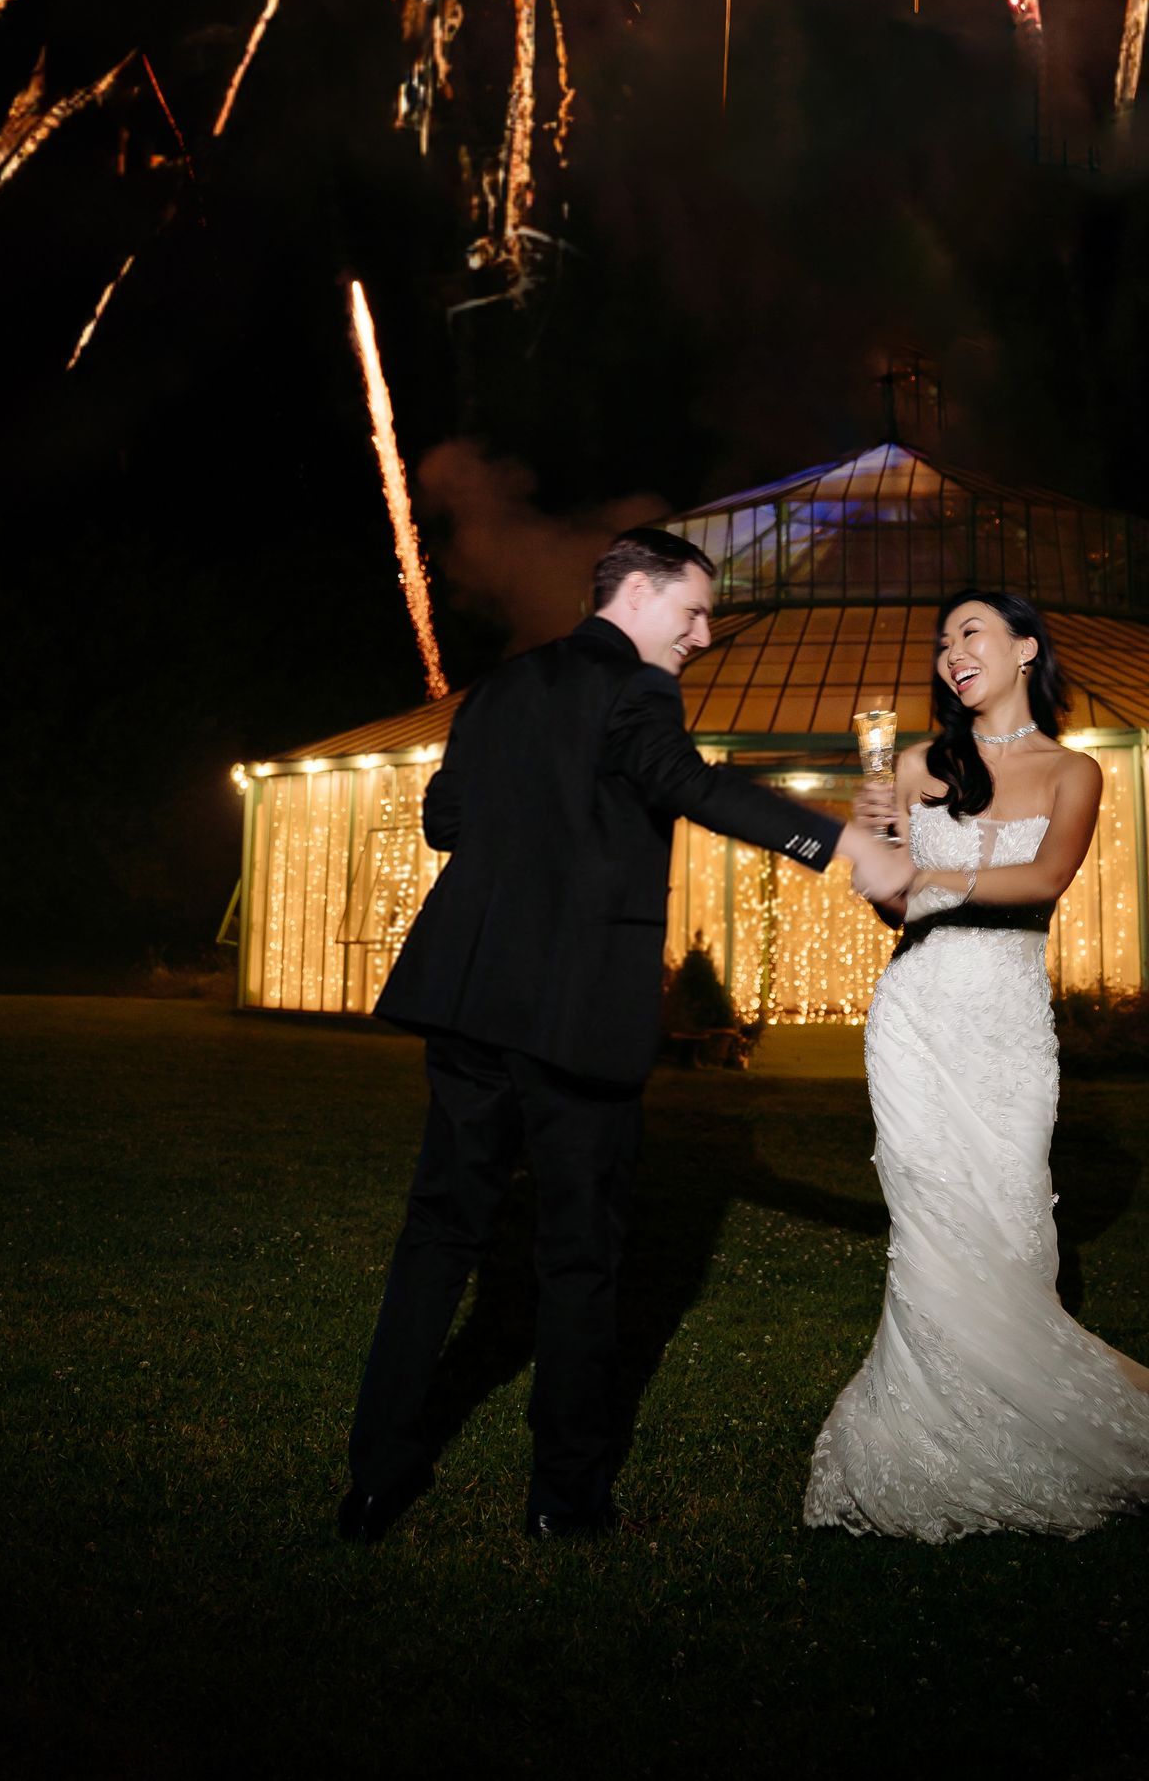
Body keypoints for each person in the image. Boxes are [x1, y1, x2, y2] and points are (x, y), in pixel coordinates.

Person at [341, 524, 893, 1545]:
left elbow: (446, 819)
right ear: (634, 594)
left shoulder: (501, 686)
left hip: (468, 997)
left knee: (436, 1236)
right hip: (574, 1009)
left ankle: (372, 1479)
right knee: (580, 1252)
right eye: (692, 608)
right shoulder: (639, 687)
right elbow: (682, 781)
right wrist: (839, 836)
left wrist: (549, 817)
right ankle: (565, 1495)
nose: (704, 629)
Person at [808, 586, 1149, 1541]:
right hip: (914, 1016)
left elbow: (1043, 878)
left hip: (1004, 1024)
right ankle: (917, 1431)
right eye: (943, 641)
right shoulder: (919, 764)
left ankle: (1023, 1422)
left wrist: (930, 874)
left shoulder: (1074, 771)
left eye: (973, 631)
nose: (953, 651)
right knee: (929, 1228)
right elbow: (887, 903)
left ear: (1026, 648)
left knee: (1005, 1223)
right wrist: (877, 829)